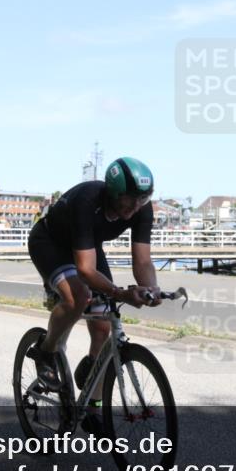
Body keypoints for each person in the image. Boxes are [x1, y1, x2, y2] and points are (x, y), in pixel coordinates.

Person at [27, 157, 161, 430]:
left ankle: (93, 406)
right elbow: (86, 271)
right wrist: (121, 292)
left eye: (142, 200)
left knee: (103, 324)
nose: (135, 207)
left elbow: (143, 263)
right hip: (50, 243)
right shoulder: (88, 200)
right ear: (113, 193)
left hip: (86, 245)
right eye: (129, 200)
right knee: (79, 296)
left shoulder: (141, 209)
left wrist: (151, 288)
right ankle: (45, 351)